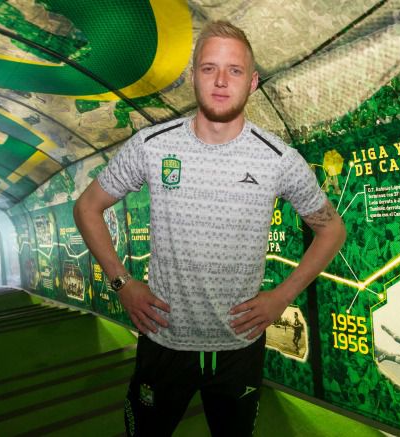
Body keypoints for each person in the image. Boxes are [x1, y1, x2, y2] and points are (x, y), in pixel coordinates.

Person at [73, 20, 346, 437]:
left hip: (239, 347)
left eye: (234, 70)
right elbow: (87, 208)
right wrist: (122, 283)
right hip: (163, 342)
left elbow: (332, 230)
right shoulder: (153, 145)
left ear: (252, 82)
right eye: (209, 68)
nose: (221, 81)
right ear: (192, 76)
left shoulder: (278, 159)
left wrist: (282, 297)